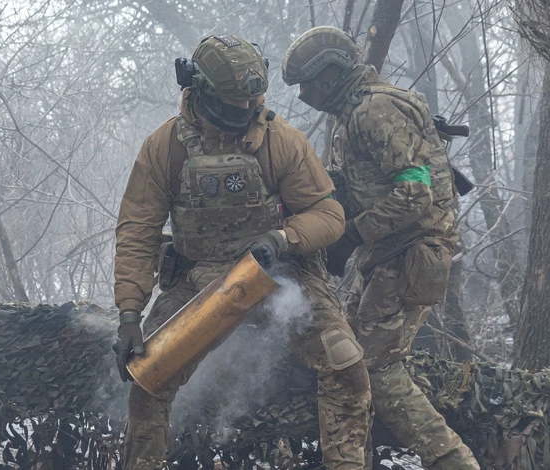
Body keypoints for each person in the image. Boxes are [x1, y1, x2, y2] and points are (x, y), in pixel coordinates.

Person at [112, 34, 371, 469]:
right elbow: (138, 230)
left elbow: (328, 214)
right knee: (148, 381)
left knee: (346, 366)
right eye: (237, 104)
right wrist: (128, 314)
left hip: (282, 275)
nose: (248, 112)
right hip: (200, 279)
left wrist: (282, 239)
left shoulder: (279, 139)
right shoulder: (165, 148)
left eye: (254, 102)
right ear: (201, 92)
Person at [281, 26, 479, 470]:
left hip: (411, 254)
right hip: (388, 255)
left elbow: (415, 192)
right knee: (347, 365)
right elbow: (355, 189)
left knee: (374, 370)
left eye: (306, 84)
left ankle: (453, 461)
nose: (303, 95)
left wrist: (350, 235)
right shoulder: (350, 114)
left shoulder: (375, 109)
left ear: (330, 74)